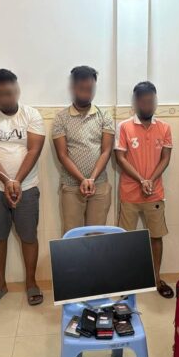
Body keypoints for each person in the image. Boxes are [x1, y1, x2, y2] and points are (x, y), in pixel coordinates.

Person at [0, 69, 46, 306]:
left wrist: (17, 181)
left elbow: (34, 150)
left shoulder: (31, 114)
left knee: (29, 237)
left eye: (8, 93)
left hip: (28, 186)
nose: (4, 98)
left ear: (17, 90)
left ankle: (31, 282)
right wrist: (6, 181)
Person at [115, 81, 174, 298]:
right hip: (129, 193)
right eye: (143, 101)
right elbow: (120, 158)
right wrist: (141, 180)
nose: (147, 105)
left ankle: (156, 278)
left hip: (155, 192)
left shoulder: (164, 127)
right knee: (126, 240)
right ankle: (126, 281)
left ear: (155, 101)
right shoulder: (124, 126)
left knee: (156, 237)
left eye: (151, 101)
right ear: (136, 102)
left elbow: (166, 158)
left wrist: (150, 180)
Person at [52, 66, 115, 233]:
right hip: (72, 186)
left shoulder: (104, 116)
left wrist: (91, 179)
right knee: (73, 236)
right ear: (73, 88)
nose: (87, 93)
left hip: (99, 184)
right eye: (82, 89)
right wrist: (82, 180)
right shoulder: (61, 118)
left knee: (97, 235)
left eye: (90, 89)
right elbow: (62, 155)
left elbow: (106, 151)